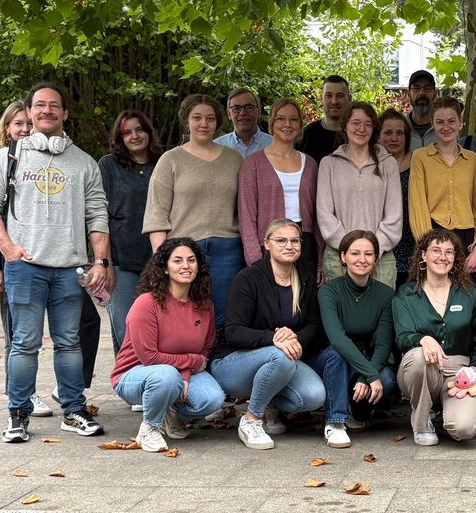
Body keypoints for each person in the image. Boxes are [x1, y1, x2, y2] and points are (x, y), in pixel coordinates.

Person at [0, 83, 111, 442]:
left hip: (69, 269)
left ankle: (74, 410)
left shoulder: (84, 162)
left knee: (69, 343)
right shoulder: (8, 157)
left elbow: (98, 214)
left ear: (65, 113)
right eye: (39, 105)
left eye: (54, 105)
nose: (47, 110)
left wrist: (100, 261)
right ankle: (17, 415)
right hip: (25, 268)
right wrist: (6, 247)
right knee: (24, 343)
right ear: (29, 111)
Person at [210, 220, 327, 450]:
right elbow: (233, 331)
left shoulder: (305, 279)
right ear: (266, 243)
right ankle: (252, 419)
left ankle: (269, 402)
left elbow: (314, 324)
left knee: (314, 396)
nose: (289, 246)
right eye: (281, 240)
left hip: (281, 360)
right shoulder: (248, 278)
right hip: (233, 363)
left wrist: (293, 339)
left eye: (295, 241)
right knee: (280, 356)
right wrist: (274, 339)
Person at [0, 102, 56, 417]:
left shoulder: (46, 162)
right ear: (7, 128)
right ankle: (22, 395)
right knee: (18, 335)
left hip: (48, 261)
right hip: (12, 263)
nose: (24, 129)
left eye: (28, 124)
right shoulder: (3, 162)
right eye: (17, 124)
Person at [110, 238, 226, 452]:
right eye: (177, 261)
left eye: (191, 260)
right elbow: (149, 358)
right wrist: (191, 363)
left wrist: (185, 374)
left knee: (213, 399)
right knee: (166, 376)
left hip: (179, 373)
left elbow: (205, 348)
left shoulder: (204, 304)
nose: (186, 266)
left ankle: (169, 412)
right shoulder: (147, 303)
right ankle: (149, 428)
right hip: (135, 374)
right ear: (165, 268)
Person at [144, 94, 244, 332]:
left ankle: (218, 357)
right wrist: (162, 260)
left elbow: (245, 208)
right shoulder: (170, 160)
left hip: (228, 251)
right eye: (197, 118)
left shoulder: (234, 159)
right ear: (186, 121)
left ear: (218, 122)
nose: (203, 124)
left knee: (222, 319)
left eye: (210, 118)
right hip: (185, 251)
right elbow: (156, 214)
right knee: (185, 317)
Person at [393, 229, 476, 445]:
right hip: (421, 370)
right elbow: (402, 337)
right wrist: (423, 339)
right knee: (419, 357)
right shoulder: (407, 294)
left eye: (449, 252)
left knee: (465, 429)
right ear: (423, 255)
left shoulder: (468, 292)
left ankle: (445, 414)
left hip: (459, 373)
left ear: (455, 258)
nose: (443, 257)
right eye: (436, 250)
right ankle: (422, 422)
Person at [311, 230, 397, 448]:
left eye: (368, 254)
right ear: (343, 256)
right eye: (355, 253)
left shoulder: (385, 295)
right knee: (337, 354)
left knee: (387, 379)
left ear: (375, 258)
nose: (362, 259)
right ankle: (335, 421)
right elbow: (337, 339)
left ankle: (359, 412)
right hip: (328, 360)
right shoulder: (329, 291)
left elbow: (383, 344)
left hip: (360, 360)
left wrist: (366, 377)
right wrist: (370, 374)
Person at [408, 96, 476, 295]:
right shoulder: (420, 157)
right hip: (434, 234)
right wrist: (429, 248)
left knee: (469, 299)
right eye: (440, 122)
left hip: (467, 239)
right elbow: (418, 207)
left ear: (460, 123)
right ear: (432, 123)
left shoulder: (473, 161)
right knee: (437, 298)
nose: (446, 127)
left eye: (451, 121)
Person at [99, 109, 163, 357]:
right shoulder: (108, 165)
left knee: (157, 329)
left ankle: (156, 375)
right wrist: (105, 264)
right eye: (127, 133)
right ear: (120, 137)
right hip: (121, 263)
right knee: (125, 329)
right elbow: (99, 217)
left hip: (159, 261)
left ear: (148, 132)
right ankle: (127, 376)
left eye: (139, 130)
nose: (134, 136)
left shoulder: (163, 163)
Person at [317, 102, 402, 286]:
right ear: (345, 125)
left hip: (380, 257)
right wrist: (350, 249)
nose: (361, 129)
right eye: (356, 123)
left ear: (373, 128)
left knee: (381, 305)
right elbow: (324, 215)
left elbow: (394, 217)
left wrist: (371, 250)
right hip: (339, 257)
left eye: (367, 124)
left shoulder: (388, 164)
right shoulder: (329, 164)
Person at [239, 99, 323, 281]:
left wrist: (320, 260)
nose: (287, 124)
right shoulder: (253, 164)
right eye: (281, 118)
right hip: (269, 243)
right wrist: (255, 260)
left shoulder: (310, 164)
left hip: (304, 243)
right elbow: (246, 215)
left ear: (300, 124)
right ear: (271, 121)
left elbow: (318, 215)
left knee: (305, 295)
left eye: (293, 119)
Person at [378, 108, 415, 288]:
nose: (394, 138)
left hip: (411, 242)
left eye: (399, 133)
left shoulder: (418, 162)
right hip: (382, 244)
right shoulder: (370, 165)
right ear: (378, 136)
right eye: (388, 133)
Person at [297, 75, 351, 164]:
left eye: (340, 96)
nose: (334, 101)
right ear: (321, 99)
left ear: (349, 99)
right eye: (329, 95)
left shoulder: (356, 135)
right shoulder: (307, 134)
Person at [215, 88, 273, 159]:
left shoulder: (274, 145)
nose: (242, 113)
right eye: (236, 108)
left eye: (249, 107)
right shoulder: (217, 147)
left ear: (259, 112)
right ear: (229, 114)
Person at [406, 69, 439, 150]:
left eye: (427, 88)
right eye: (416, 88)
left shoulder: (445, 129)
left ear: (435, 94)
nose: (422, 93)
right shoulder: (400, 128)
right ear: (409, 94)